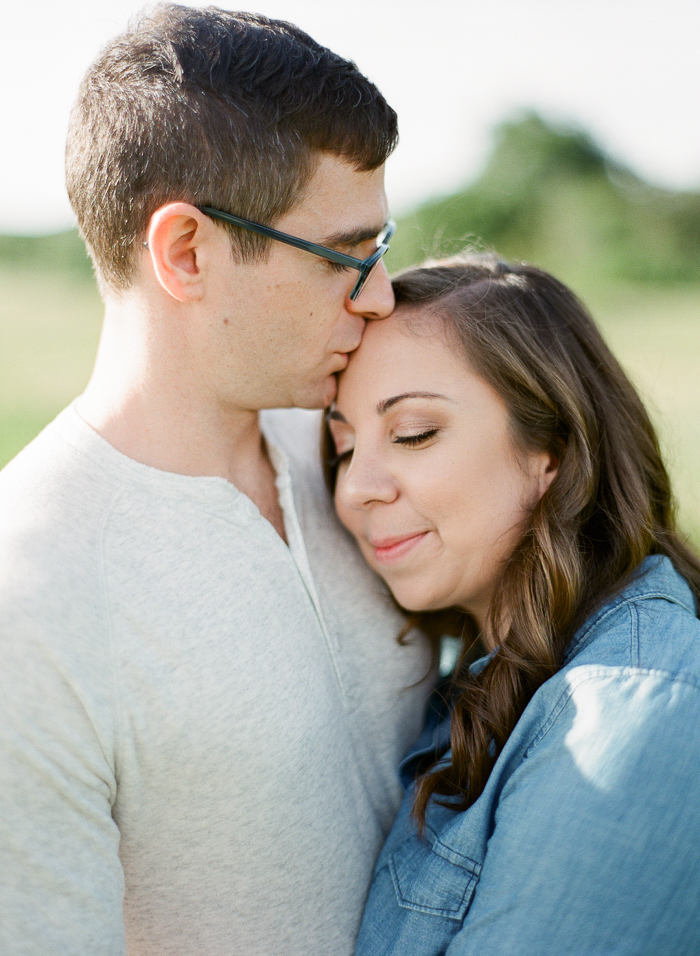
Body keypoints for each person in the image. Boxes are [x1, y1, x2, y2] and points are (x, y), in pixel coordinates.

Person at [0, 6, 434, 955]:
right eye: (345, 258)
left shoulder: (362, 450)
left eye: (383, 248)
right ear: (186, 252)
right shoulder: (26, 599)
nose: (381, 296)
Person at [324, 254, 700, 955]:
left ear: (550, 449)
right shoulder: (480, 676)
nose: (354, 489)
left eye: (413, 433)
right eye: (343, 448)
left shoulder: (631, 710)